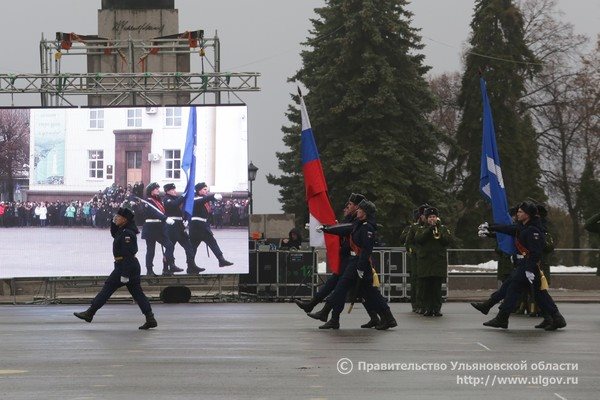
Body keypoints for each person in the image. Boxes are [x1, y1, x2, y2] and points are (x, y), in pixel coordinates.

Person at [471, 202, 566, 331]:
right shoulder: (524, 227)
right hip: (525, 266)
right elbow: (507, 229)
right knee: (538, 294)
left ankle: (500, 316)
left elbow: (535, 252)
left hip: (529, 266)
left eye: (520, 212)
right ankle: (556, 318)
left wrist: (529, 270)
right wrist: (490, 227)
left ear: (527, 215)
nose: (518, 214)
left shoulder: (533, 230)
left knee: (512, 288)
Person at [316, 199, 397, 330]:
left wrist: (360, 267)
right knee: (370, 292)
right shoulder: (359, 224)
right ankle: (389, 318)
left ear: (364, 213)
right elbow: (343, 230)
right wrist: (326, 228)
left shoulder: (367, 227)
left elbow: (366, 249)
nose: (357, 210)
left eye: (360, 209)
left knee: (341, 287)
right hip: (355, 262)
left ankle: (326, 311)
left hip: (360, 263)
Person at [73, 207, 157, 330]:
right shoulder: (123, 231)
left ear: (125, 219)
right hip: (127, 265)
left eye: (118, 217)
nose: (115, 218)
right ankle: (150, 318)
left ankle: (90, 313)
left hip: (125, 266)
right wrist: (113, 222)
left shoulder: (127, 233)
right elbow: (114, 234)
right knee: (138, 294)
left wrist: (125, 274)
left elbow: (129, 253)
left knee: (107, 289)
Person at [414, 207, 452, 316]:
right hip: (425, 262)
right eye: (430, 217)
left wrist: (438, 232)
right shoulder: (421, 229)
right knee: (426, 287)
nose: (432, 219)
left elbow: (447, 241)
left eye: (434, 217)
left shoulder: (443, 229)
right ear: (426, 218)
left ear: (437, 218)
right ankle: (427, 308)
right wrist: (429, 230)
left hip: (438, 263)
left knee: (436, 288)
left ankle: (437, 308)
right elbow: (418, 240)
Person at [162, 183, 204, 275]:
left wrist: (185, 219)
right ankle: (167, 267)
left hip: (180, 227)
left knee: (189, 247)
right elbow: (174, 205)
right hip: (171, 227)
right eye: (172, 190)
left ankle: (191, 265)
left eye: (174, 189)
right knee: (170, 248)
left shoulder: (175, 198)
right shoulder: (166, 199)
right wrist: (185, 194)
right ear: (167, 191)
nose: (174, 191)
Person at [189, 182, 233, 267]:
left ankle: (221, 260)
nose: (206, 191)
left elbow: (205, 200)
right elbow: (201, 200)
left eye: (207, 190)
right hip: (196, 226)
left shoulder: (204, 199)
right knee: (194, 247)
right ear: (199, 190)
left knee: (210, 243)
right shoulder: (194, 198)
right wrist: (212, 196)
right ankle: (191, 265)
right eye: (204, 189)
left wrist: (215, 198)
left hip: (203, 226)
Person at [141, 182, 180, 276]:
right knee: (151, 250)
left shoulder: (159, 201)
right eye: (156, 189)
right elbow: (154, 212)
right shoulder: (148, 201)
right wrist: (165, 218)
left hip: (159, 228)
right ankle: (149, 270)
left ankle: (171, 264)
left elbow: (163, 212)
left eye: (158, 188)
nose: (158, 190)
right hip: (150, 228)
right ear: (151, 191)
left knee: (170, 245)